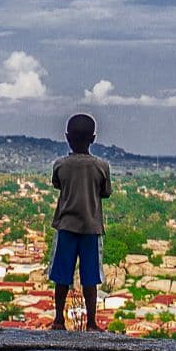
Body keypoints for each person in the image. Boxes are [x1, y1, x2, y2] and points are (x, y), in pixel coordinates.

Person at [48, 112, 111, 331]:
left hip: (66, 225)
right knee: (90, 276)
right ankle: (92, 322)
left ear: (67, 137)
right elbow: (106, 192)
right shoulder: (101, 167)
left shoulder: (60, 165)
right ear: (93, 138)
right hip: (91, 226)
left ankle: (58, 319)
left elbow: (58, 185)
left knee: (62, 275)